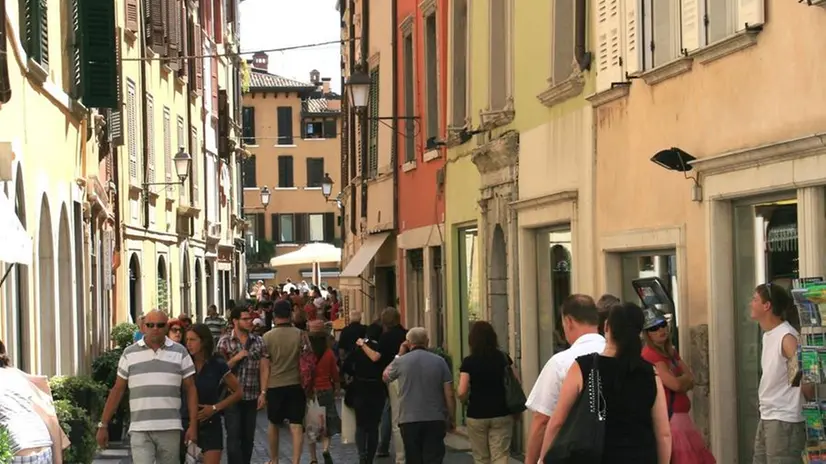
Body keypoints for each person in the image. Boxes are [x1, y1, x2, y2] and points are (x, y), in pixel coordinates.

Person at [539, 302, 672, 464]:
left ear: (607, 327)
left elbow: (557, 422)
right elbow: (664, 433)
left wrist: (543, 459)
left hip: (594, 457)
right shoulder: (650, 373)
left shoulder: (583, 367)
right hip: (641, 456)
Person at [97, 310, 199, 464]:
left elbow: (191, 389)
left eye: (160, 325)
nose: (155, 328)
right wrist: (103, 424)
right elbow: (117, 390)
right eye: (150, 325)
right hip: (140, 428)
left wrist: (193, 425)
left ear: (166, 327)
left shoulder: (180, 352)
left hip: (170, 427)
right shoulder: (129, 354)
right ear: (143, 327)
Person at [524, 294, 606, 464]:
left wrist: (533, 461)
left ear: (568, 322)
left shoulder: (561, 362)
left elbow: (543, 421)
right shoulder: (616, 356)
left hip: (572, 454)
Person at [641, 309, 715, 463]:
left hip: (681, 419)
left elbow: (691, 377)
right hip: (671, 419)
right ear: (647, 334)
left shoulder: (671, 352)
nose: (660, 330)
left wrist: (683, 380)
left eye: (662, 325)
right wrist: (683, 381)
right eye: (653, 328)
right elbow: (675, 384)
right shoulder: (650, 354)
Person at [751, 283, 806, 464]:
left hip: (784, 418)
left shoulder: (786, 336)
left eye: (755, 299)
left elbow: (803, 374)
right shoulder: (768, 335)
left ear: (767, 306)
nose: (751, 303)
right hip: (768, 415)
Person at [384, 327, 456, 463]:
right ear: (427, 342)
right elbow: (449, 393)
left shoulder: (401, 361)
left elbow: (385, 376)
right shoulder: (439, 361)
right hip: (435, 418)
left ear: (408, 343)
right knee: (433, 458)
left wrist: (399, 354)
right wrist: (451, 417)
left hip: (409, 420)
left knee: (413, 458)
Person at [457, 321, 517, 464]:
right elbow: (516, 381)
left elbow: (462, 391)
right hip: (501, 412)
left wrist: (463, 400)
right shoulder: (503, 358)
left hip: (477, 414)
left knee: (481, 458)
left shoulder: (468, 362)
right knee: (501, 456)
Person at [183, 324, 243, 464]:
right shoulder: (184, 362)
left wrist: (215, 408)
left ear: (203, 341)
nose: (188, 344)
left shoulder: (217, 363)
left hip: (210, 423)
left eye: (193, 340)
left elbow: (239, 392)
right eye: (187, 340)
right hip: (186, 422)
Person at [217, 307, 269, 464]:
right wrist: (235, 359)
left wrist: (263, 392)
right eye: (245, 319)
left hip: (251, 395)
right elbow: (218, 371)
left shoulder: (259, 341)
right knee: (233, 438)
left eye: (250, 319)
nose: (249, 322)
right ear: (235, 321)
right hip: (231, 397)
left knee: (248, 439)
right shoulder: (224, 342)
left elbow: (265, 367)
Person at [262, 300, 310, 464]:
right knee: (296, 424)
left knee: (273, 423)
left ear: (274, 315)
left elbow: (265, 365)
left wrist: (263, 390)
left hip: (274, 385)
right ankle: (295, 461)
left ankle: (274, 460)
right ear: (290, 314)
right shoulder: (300, 334)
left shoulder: (267, 337)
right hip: (296, 384)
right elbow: (308, 360)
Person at [342, 322, 387, 464]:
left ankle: (362, 453)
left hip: (360, 388)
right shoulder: (382, 348)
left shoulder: (358, 349)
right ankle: (370, 458)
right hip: (377, 390)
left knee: (361, 424)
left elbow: (346, 366)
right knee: (373, 426)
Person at [307, 320, 341, 464]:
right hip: (326, 389)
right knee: (326, 422)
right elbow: (335, 373)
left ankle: (313, 459)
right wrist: (337, 387)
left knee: (312, 426)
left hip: (311, 392)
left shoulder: (307, 353)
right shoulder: (329, 353)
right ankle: (326, 450)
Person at [377, 307, 407, 461]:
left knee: (390, 413)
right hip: (407, 377)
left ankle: (384, 446)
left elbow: (380, 358)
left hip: (390, 378)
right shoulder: (406, 335)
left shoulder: (385, 338)